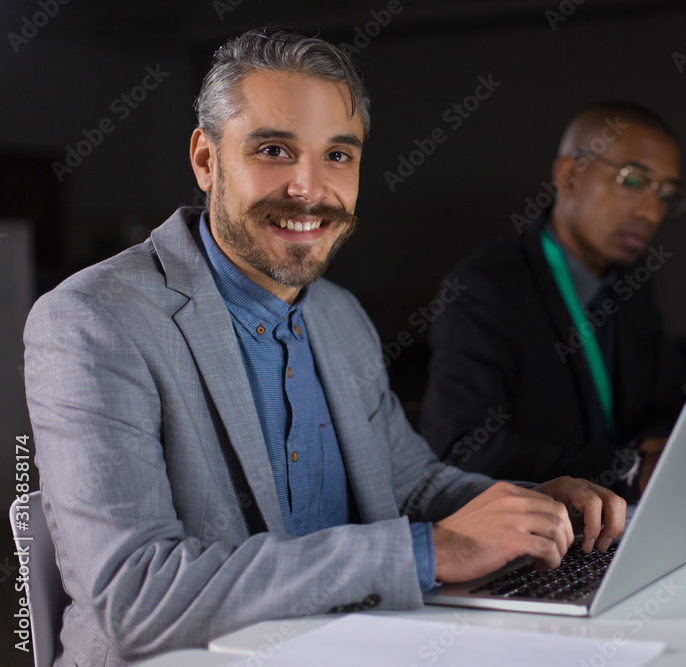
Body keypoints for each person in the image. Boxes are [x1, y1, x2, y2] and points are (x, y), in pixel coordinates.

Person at [22, 28, 625, 666]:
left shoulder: (338, 315)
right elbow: (135, 598)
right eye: (275, 149)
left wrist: (528, 505)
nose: (309, 189)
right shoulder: (93, 320)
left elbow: (410, 487)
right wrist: (425, 552)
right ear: (206, 160)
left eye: (338, 155)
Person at [420, 103, 686, 501]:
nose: (651, 212)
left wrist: (673, 445)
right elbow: (462, 450)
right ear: (569, 175)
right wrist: (626, 467)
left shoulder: (633, 281)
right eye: (633, 180)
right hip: (539, 539)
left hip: (630, 522)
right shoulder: (485, 287)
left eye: (665, 193)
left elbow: (665, 404)